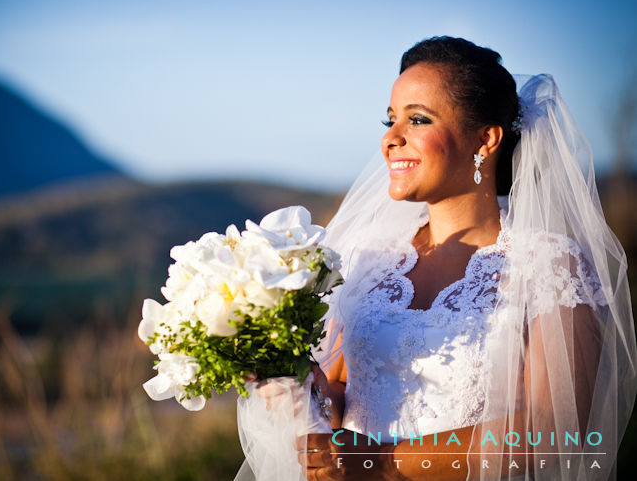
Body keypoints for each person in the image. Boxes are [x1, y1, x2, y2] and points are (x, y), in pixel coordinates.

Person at [235, 36, 637, 480]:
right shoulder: (368, 260)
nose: (391, 138)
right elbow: (341, 393)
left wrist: (378, 462)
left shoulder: (549, 266)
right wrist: (300, 388)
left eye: (418, 119)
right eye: (390, 120)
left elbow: (555, 432)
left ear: (485, 139)